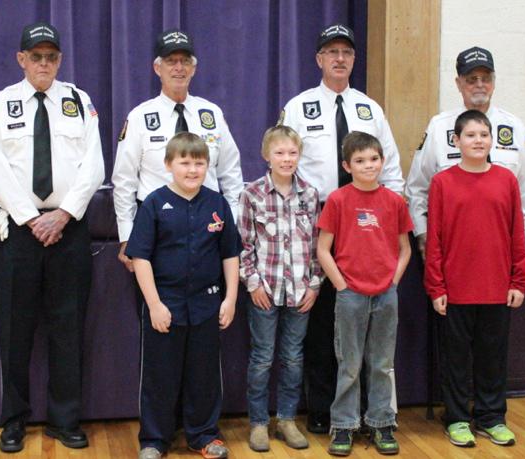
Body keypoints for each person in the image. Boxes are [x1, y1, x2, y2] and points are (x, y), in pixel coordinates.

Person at [0, 22, 104, 453]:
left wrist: (64, 214)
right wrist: (33, 219)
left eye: (51, 57)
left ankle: (64, 420)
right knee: (14, 330)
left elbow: (93, 165)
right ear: (21, 60)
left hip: (68, 229)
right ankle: (14, 420)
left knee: (68, 329)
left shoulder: (78, 100)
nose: (44, 64)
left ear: (60, 61)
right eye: (37, 57)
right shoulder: (2, 103)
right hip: (18, 230)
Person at [280, 23, 405, 434]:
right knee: (322, 327)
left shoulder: (370, 109)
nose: (339, 59)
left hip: (367, 232)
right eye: (331, 52)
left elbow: (393, 174)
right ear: (318, 59)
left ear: (354, 59)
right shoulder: (299, 107)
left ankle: (372, 414)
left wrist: (390, 228)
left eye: (346, 53)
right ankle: (323, 410)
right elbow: (285, 164)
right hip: (318, 230)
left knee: (369, 334)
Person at [126, 132, 241, 459]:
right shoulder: (153, 203)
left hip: (207, 305)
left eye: (199, 163)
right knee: (159, 375)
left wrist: (230, 298)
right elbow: (140, 258)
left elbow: (230, 254)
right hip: (165, 306)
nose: (192, 170)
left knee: (203, 375)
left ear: (208, 166)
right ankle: (154, 439)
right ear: (168, 165)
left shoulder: (217, 204)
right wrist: (154, 304)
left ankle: (204, 435)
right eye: (185, 163)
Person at [424, 110, 525, 448]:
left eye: (484, 134)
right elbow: (435, 238)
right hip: (455, 289)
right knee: (455, 360)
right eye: (470, 135)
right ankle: (456, 418)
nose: (478, 140)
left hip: (497, 288)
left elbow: (516, 235)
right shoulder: (442, 182)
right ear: (456, 141)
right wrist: (436, 286)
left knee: (492, 358)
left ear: (492, 140)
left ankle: (491, 418)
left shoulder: (506, 180)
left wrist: (518, 281)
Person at [112, 28, 243, 274]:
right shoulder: (140, 117)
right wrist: (127, 235)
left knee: (206, 303)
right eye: (171, 61)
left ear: (194, 68)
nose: (179, 68)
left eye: (185, 62)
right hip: (156, 224)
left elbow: (231, 174)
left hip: (208, 224)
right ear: (157, 68)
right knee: (156, 306)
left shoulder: (211, 114)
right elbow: (124, 180)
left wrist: (232, 221)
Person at [316, 131, 412, 456]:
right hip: (350, 295)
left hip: (386, 294)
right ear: (347, 165)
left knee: (382, 362)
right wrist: (341, 285)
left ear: (382, 161)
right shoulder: (338, 200)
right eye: (360, 161)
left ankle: (381, 422)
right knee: (350, 362)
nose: (368, 165)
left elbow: (404, 248)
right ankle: (344, 426)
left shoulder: (394, 201)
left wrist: (393, 281)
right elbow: (323, 249)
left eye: (373, 159)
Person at [406, 46, 525, 263]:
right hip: (450, 246)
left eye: (485, 78)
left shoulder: (514, 128)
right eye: (471, 79)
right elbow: (417, 187)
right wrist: (423, 234)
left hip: (502, 245)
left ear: (494, 82)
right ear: (458, 83)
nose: (479, 85)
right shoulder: (440, 127)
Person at [237, 126, 322, 452]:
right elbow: (244, 245)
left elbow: (317, 245)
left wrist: (314, 285)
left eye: (292, 153)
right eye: (280, 153)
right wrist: (253, 283)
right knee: (261, 358)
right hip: (265, 292)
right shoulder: (253, 194)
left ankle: (287, 419)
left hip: (300, 292)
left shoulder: (310, 195)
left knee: (292, 358)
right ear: (266, 156)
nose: (286, 159)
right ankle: (258, 422)